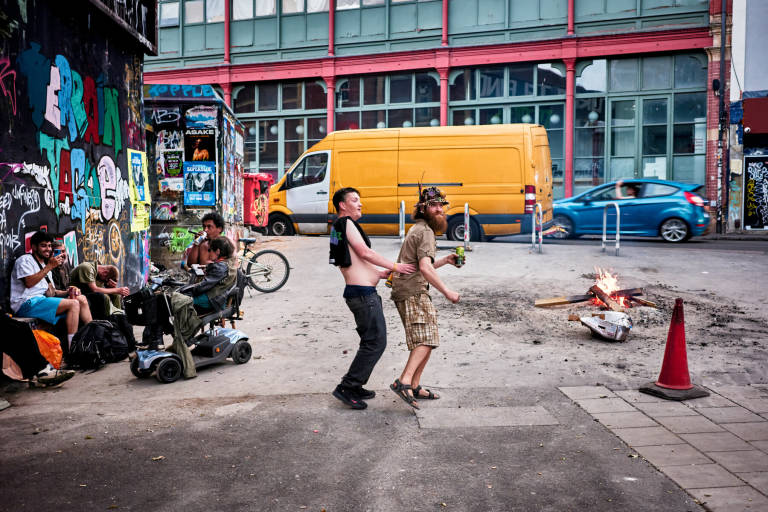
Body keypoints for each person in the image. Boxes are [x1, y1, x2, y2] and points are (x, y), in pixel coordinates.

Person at [329, 187, 416, 410]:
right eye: (355, 200)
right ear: (342, 205)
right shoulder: (346, 223)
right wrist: (396, 266)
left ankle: (355, 385)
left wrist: (377, 274)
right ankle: (347, 387)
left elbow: (347, 262)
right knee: (376, 342)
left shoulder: (337, 228)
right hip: (362, 295)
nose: (360, 204)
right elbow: (365, 253)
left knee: (371, 342)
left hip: (359, 291)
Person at [390, 186, 461, 409]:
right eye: (434, 205)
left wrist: (446, 261)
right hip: (413, 292)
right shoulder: (426, 232)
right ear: (423, 209)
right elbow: (425, 268)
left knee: (426, 340)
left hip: (409, 289)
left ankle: (415, 385)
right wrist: (447, 292)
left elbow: (421, 265)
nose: (439, 209)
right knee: (426, 340)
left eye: (441, 205)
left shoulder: (419, 228)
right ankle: (404, 382)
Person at [10, 231, 93, 352]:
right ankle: (73, 349)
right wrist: (49, 267)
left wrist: (68, 291)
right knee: (73, 304)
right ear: (34, 247)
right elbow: (29, 283)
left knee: (81, 299)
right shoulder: (25, 260)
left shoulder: (45, 264)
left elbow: (52, 293)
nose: (48, 249)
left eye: (49, 246)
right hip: (25, 304)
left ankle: (94, 336)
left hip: (42, 301)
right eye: (43, 246)